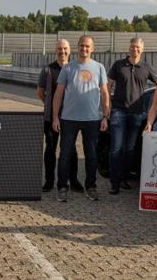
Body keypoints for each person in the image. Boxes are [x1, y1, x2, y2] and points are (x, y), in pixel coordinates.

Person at [52, 35, 110, 203]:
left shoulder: (99, 68)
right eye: (82, 46)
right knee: (64, 155)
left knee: (91, 155)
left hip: (92, 120)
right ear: (77, 47)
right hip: (68, 119)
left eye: (87, 46)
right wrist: (56, 117)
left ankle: (90, 187)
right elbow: (58, 94)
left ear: (92, 48)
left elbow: (105, 94)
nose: (84, 49)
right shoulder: (68, 68)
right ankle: (62, 187)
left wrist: (105, 116)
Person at [107, 37, 157, 195]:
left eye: (137, 47)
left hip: (137, 113)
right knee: (116, 148)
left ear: (142, 49)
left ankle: (123, 178)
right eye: (132, 46)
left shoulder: (146, 67)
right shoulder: (118, 65)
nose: (135, 49)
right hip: (118, 111)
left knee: (129, 149)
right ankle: (114, 182)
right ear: (129, 48)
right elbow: (108, 84)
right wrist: (108, 105)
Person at [36, 39, 83, 192]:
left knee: (71, 150)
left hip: (71, 117)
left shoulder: (75, 68)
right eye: (59, 49)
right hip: (51, 118)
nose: (62, 51)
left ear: (70, 50)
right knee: (50, 149)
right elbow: (40, 92)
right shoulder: (48, 69)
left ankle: (73, 180)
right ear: (55, 50)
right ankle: (49, 181)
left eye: (65, 48)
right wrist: (50, 106)